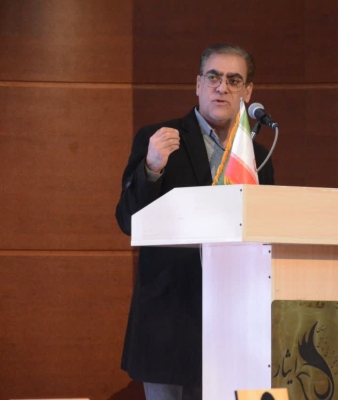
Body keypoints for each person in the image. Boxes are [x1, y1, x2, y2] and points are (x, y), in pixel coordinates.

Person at [115, 43, 275, 400]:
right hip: (169, 324)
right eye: (213, 77)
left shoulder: (258, 157)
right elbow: (128, 221)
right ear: (198, 84)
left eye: (234, 80)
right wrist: (151, 168)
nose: (222, 87)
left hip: (236, 328)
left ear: (248, 92)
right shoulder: (159, 140)